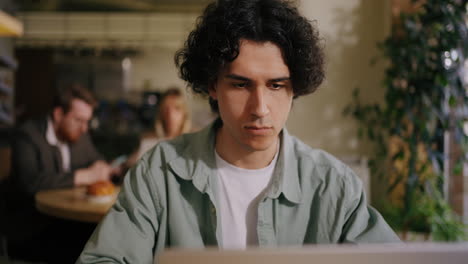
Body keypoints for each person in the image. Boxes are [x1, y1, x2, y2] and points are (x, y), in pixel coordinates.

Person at [78, 0, 400, 262]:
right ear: (212, 86)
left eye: (276, 85)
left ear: (295, 89)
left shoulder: (334, 186)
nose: (260, 108)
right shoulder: (160, 172)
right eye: (241, 85)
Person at [5, 84, 113, 263]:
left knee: (107, 237)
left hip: (68, 220)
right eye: (79, 120)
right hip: (32, 226)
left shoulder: (79, 135)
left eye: (87, 121)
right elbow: (30, 183)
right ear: (58, 114)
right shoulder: (26, 136)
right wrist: (83, 176)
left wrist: (102, 166)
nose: (85, 128)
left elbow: (95, 159)